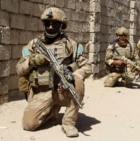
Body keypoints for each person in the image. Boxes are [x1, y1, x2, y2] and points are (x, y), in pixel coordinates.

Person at [16, 7, 91, 137]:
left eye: (55, 24)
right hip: (43, 91)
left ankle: (68, 123)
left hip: (63, 90)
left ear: (61, 25)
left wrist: (71, 72)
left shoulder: (70, 45)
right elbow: (19, 69)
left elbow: (88, 67)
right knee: (29, 125)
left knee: (77, 80)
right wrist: (32, 61)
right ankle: (51, 110)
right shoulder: (34, 45)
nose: (50, 27)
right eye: (47, 24)